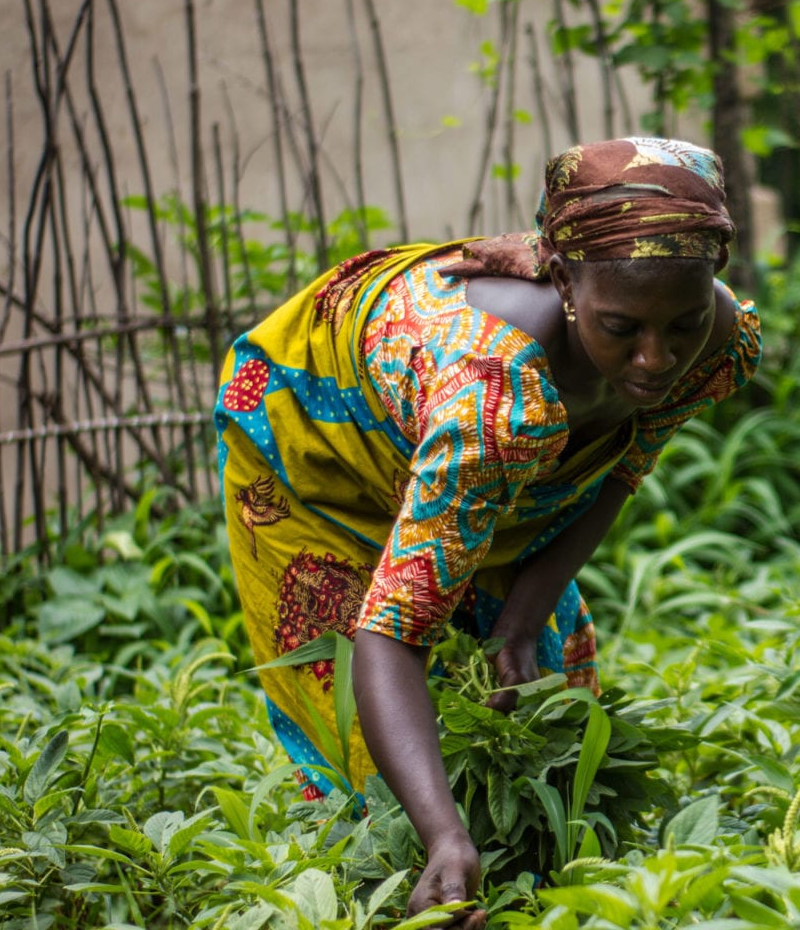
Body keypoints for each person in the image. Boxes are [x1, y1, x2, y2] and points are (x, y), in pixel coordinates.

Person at [215, 137, 761, 925]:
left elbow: (621, 465)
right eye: (623, 328)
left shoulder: (715, 341)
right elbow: (390, 635)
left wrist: (522, 618)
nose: (656, 358)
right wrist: (440, 835)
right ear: (565, 282)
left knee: (545, 688)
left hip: (470, 431)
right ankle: (415, 872)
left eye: (680, 324)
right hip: (316, 451)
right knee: (370, 769)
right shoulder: (492, 399)